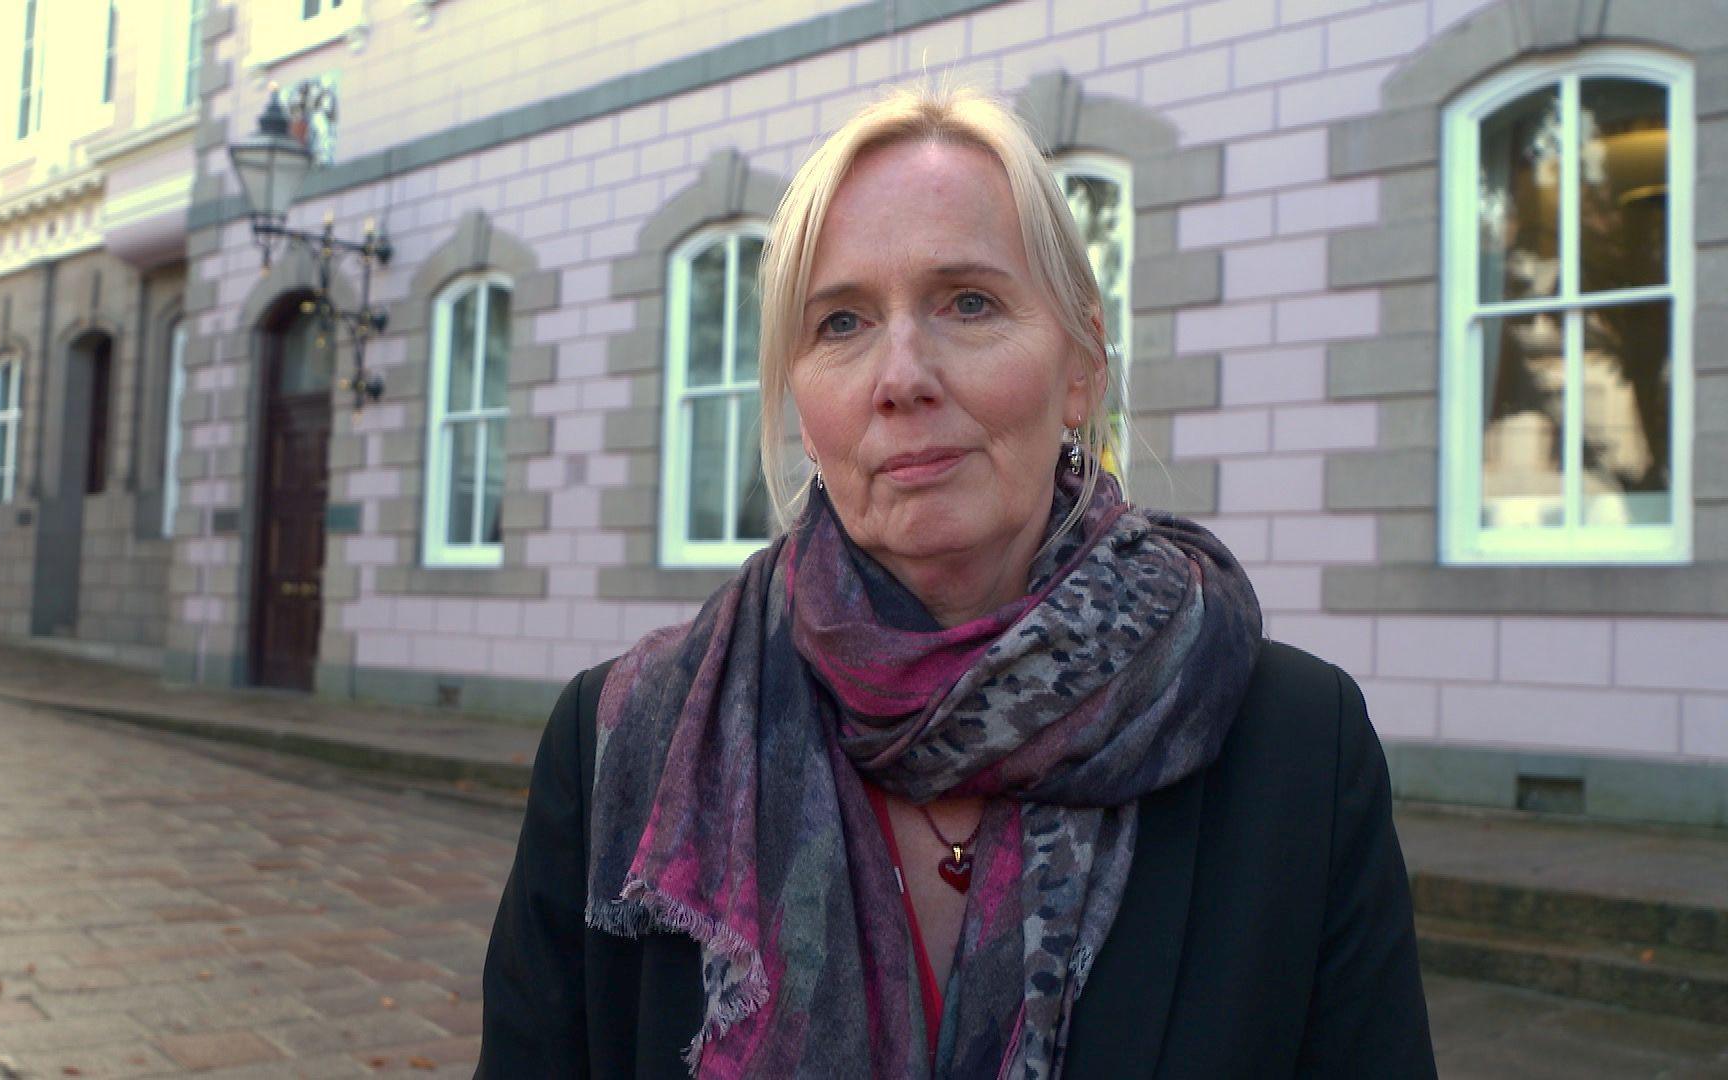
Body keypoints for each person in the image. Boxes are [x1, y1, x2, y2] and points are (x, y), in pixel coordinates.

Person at [479, 84, 1436, 1079]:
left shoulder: (1295, 753)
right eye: (841, 322)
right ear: (805, 406)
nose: (901, 375)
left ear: (1081, 365)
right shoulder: (622, 741)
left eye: (968, 302)